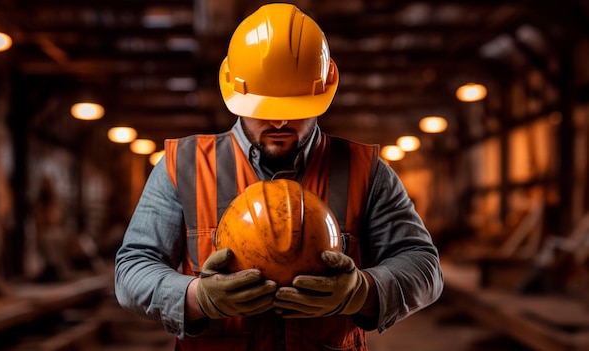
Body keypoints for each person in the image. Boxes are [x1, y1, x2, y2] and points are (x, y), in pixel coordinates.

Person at [115, 3, 443, 351]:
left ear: (323, 91)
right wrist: (198, 298)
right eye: (266, 108)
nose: (280, 122)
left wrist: (362, 291)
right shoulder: (182, 166)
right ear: (235, 92)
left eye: (295, 107)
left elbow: (424, 268)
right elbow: (133, 270)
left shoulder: (367, 170)